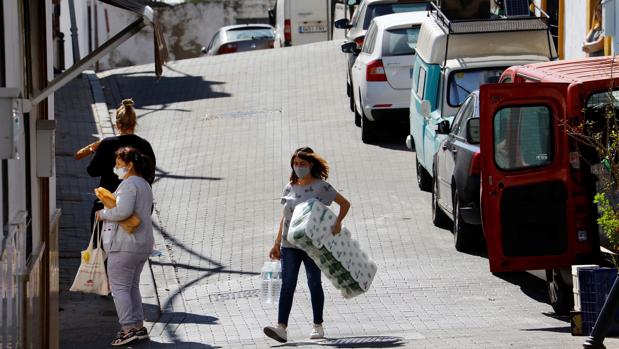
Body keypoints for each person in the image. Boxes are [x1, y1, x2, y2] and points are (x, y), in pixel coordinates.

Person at [263, 147, 351, 343]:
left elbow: (345, 204)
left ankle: (318, 325)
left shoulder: (322, 187)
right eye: (295, 164)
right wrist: (276, 243)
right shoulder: (289, 187)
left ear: (311, 164)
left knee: (313, 283)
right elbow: (284, 218)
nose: (298, 167)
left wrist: (338, 222)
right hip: (289, 245)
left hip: (312, 245)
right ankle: (281, 328)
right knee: (288, 285)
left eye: (302, 164)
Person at [96, 147, 155, 346]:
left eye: (119, 163)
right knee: (132, 286)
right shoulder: (144, 184)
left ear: (129, 165)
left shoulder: (129, 184)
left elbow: (123, 211)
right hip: (142, 243)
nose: (116, 167)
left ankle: (128, 329)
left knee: (120, 288)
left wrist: (102, 214)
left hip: (125, 244)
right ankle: (138, 326)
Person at [87, 99, 156, 230]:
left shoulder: (107, 144)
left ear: (117, 124)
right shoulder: (144, 145)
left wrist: (98, 153)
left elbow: (92, 171)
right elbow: (150, 175)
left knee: (101, 247)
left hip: (108, 204)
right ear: (134, 123)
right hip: (138, 207)